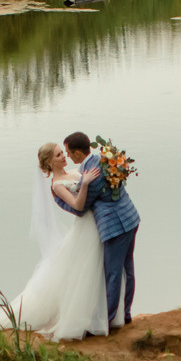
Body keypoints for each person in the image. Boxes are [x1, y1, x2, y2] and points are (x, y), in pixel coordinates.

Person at [9, 142, 109, 340]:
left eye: (63, 153)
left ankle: (101, 313)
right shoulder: (57, 184)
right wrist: (86, 183)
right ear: (49, 163)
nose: (64, 156)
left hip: (97, 223)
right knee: (87, 272)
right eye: (58, 155)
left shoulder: (75, 170)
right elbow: (78, 206)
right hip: (86, 227)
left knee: (95, 271)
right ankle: (85, 318)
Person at [64, 130, 141, 332]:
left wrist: (60, 199)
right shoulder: (103, 158)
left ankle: (106, 321)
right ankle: (125, 314)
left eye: (68, 152)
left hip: (115, 226)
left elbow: (81, 207)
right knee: (127, 269)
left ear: (78, 153)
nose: (67, 157)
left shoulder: (92, 176)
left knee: (113, 273)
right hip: (130, 217)